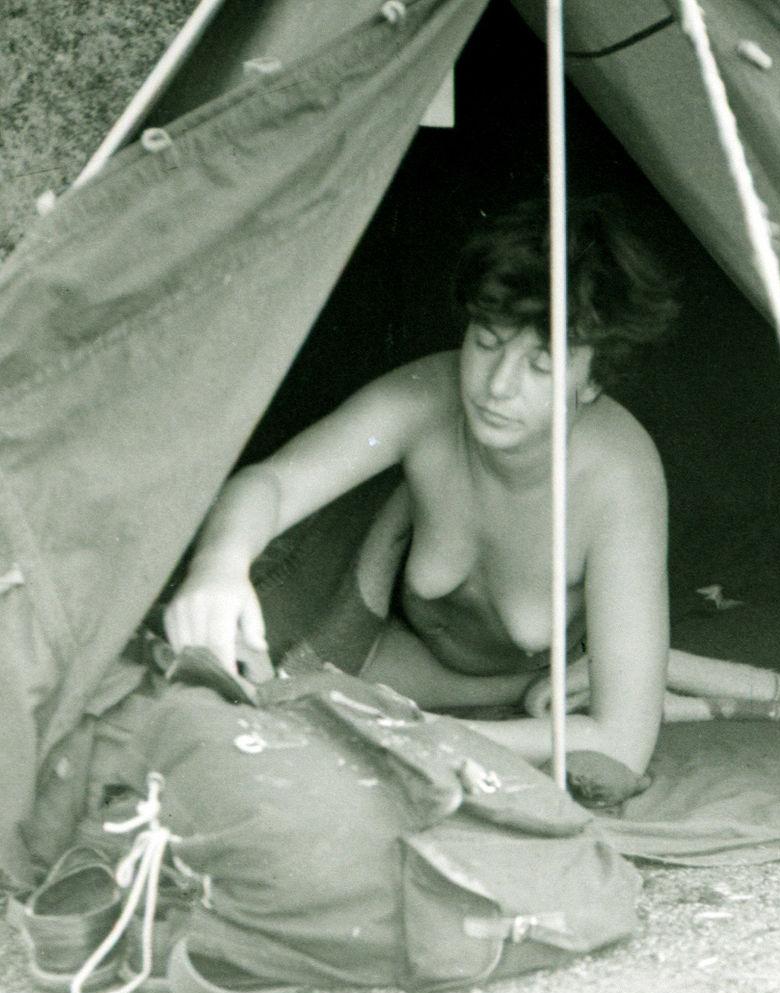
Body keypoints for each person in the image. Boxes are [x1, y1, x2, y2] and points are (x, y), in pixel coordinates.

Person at [164, 197, 679, 780]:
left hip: (474, 696)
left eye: (541, 365)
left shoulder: (618, 477)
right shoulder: (428, 396)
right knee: (219, 677)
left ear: (593, 380)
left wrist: (411, 735)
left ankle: (601, 673)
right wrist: (218, 566)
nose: (498, 386)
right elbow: (273, 483)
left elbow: (622, 743)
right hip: (386, 662)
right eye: (486, 342)